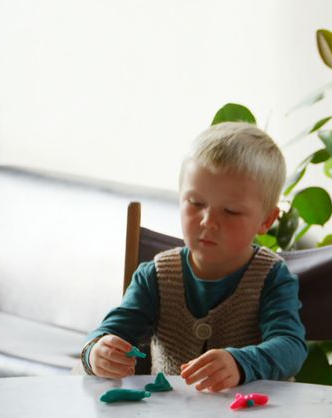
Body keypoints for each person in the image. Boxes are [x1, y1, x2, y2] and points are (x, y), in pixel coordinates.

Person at [80, 122, 307, 391]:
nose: (208, 221)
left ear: (266, 220)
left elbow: (291, 347)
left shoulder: (272, 277)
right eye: (195, 203)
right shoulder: (155, 276)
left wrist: (240, 363)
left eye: (231, 211)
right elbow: (111, 332)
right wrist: (97, 353)